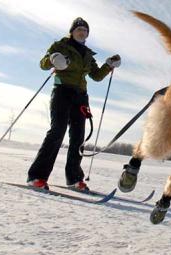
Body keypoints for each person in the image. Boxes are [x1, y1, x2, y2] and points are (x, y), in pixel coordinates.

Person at [27, 17, 121, 192]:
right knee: (57, 130)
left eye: (85, 30)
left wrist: (109, 65)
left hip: (81, 97)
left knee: (78, 137)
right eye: (79, 29)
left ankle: (74, 179)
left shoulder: (87, 54)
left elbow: (97, 76)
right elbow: (43, 64)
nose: (82, 32)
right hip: (62, 91)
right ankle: (37, 176)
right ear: (72, 31)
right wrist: (54, 58)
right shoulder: (61, 46)